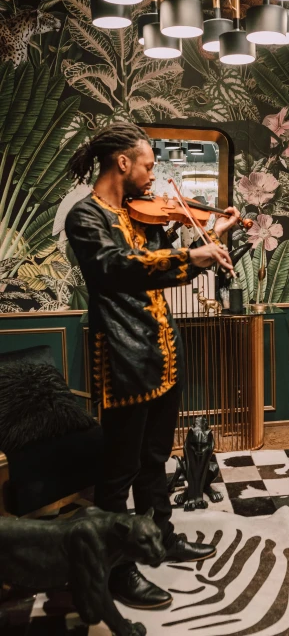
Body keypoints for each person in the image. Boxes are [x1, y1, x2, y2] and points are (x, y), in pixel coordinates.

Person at [65, 123, 240, 610]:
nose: (153, 176)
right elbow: (118, 266)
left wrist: (215, 235)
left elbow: (162, 257)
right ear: (122, 163)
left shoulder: (133, 214)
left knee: (156, 456)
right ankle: (117, 567)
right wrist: (192, 254)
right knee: (119, 468)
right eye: (147, 165)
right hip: (123, 354)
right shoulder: (87, 217)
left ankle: (159, 537)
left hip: (162, 347)